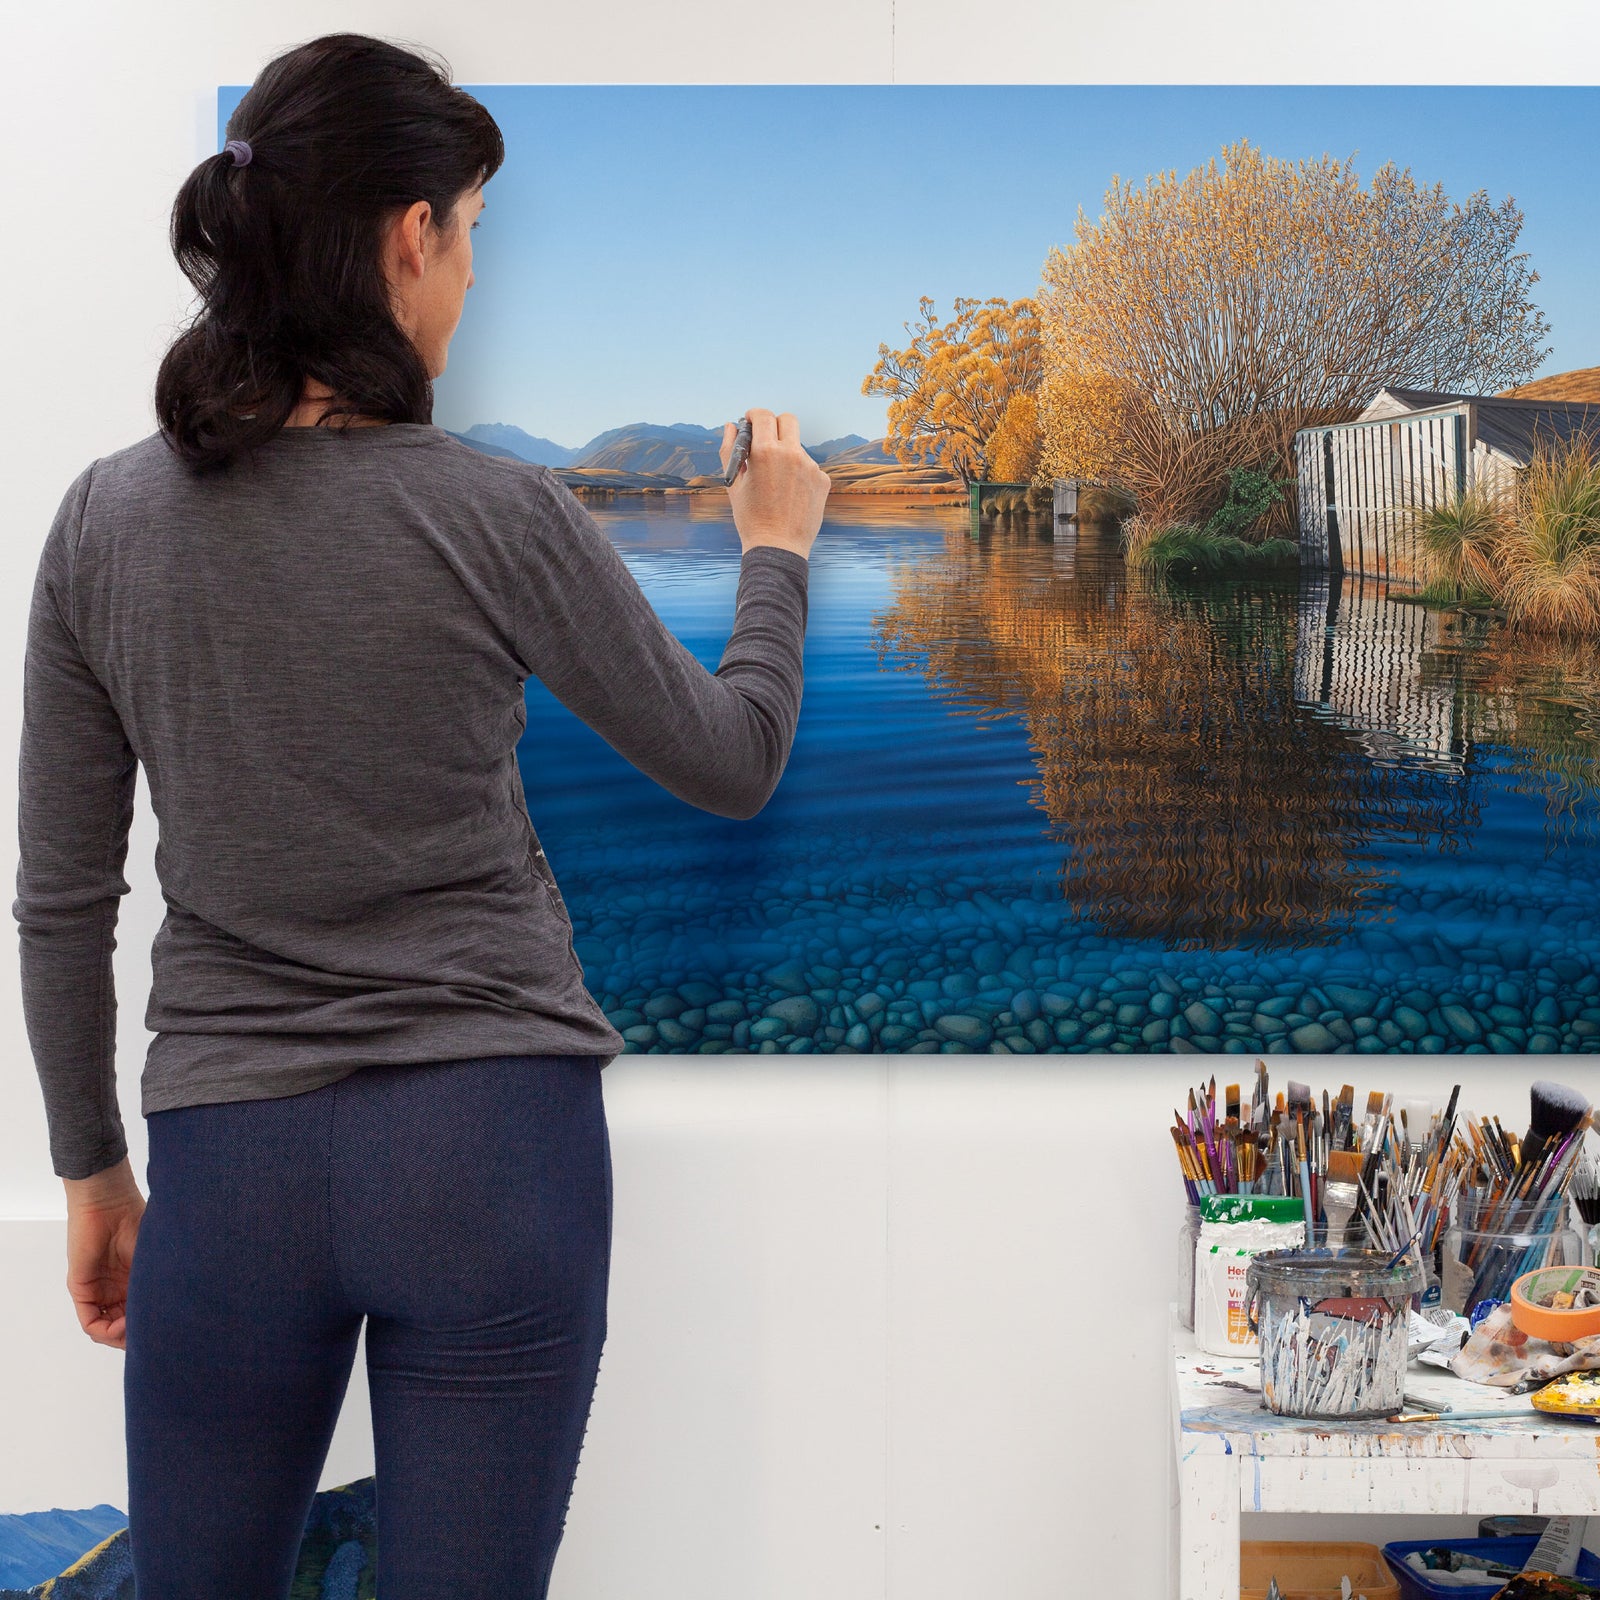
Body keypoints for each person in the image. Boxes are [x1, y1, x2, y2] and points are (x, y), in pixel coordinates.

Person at [12, 31, 829, 1599]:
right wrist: (775, 553)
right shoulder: (497, 511)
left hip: (227, 1160)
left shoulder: (103, 522)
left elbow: (63, 898)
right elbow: (733, 759)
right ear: (410, 235)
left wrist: (93, 1173)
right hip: (491, 1153)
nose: (467, 282)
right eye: (470, 238)